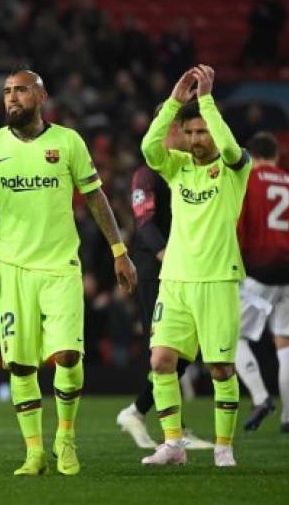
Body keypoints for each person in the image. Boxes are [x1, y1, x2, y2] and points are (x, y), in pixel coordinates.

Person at [0, 66, 137, 476]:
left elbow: (95, 198)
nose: (11, 98)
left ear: (41, 96)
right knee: (21, 365)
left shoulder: (68, 142)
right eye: (7, 91)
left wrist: (118, 251)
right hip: (14, 268)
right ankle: (35, 451)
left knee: (68, 356)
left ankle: (66, 437)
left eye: (20, 91)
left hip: (61, 265)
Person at [140, 65, 252, 468]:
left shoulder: (235, 169)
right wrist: (174, 100)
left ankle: (224, 446)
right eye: (190, 133)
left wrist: (205, 99)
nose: (195, 139)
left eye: (201, 132)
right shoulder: (177, 167)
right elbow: (149, 148)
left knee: (220, 367)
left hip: (218, 278)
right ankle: (173, 444)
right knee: (160, 362)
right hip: (175, 281)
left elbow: (230, 147)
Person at [116, 115, 212, 450]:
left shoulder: (189, 169)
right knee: (165, 348)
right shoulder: (148, 172)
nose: (188, 135)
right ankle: (172, 427)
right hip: (155, 267)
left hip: (187, 269)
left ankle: (138, 411)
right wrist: (165, 255)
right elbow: (144, 222)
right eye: (181, 128)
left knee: (188, 346)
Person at [235, 132, 289, 434]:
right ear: (276, 156)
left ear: (252, 155)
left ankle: (261, 397)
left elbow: (238, 226)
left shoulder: (247, 182)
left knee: (232, 338)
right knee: (286, 341)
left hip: (258, 273)